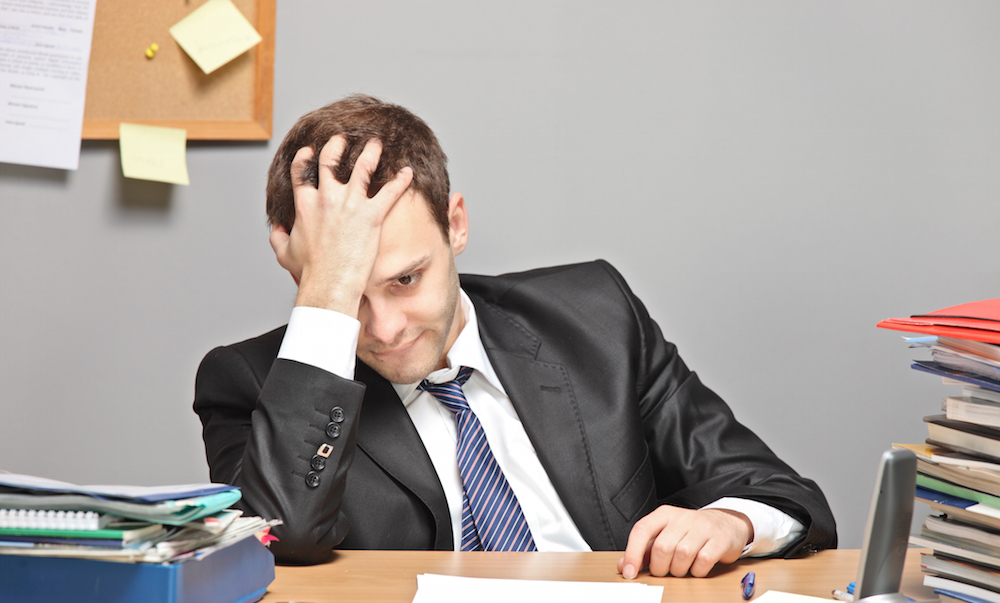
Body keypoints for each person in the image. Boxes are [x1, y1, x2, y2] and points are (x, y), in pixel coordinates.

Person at [194, 95, 837, 576]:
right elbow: (283, 542)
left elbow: (778, 491)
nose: (385, 330)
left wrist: (730, 522)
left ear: (456, 225)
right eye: (348, 296)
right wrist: (324, 296)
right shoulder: (248, 384)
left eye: (406, 279)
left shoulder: (595, 319)